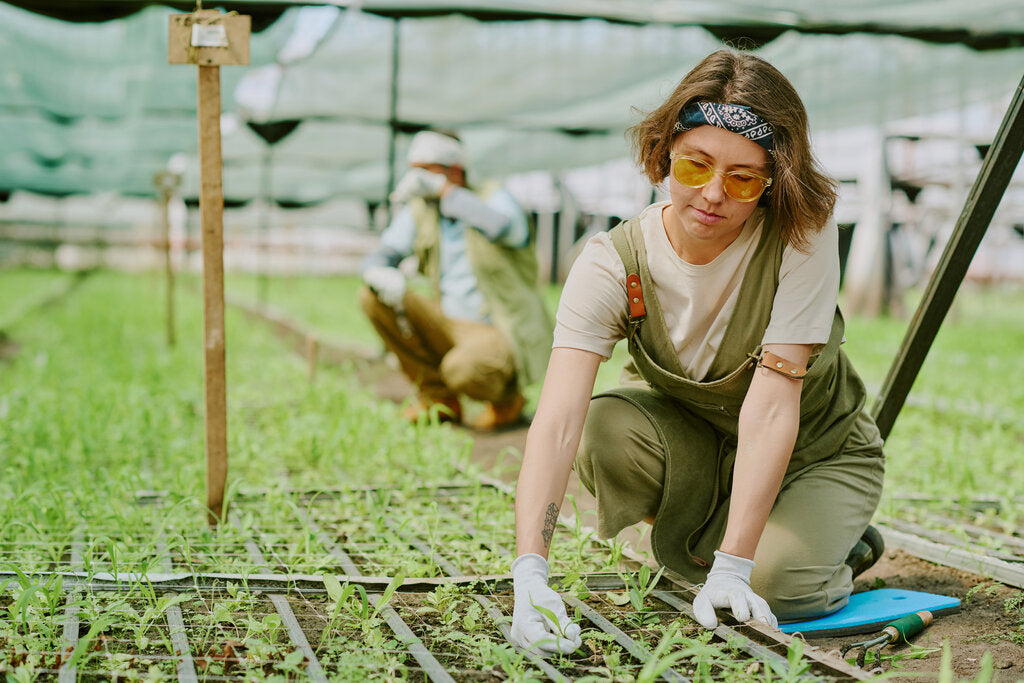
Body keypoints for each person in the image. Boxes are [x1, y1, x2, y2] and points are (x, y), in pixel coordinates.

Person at [508, 49, 886, 656]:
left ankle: (829, 541)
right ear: (664, 155)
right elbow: (555, 423)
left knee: (779, 590)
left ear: (772, 182)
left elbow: (771, 403)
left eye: (742, 178)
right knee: (605, 426)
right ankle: (731, 539)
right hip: (708, 448)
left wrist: (737, 567)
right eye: (695, 166)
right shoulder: (612, 263)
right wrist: (530, 575)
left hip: (817, 451)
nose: (713, 194)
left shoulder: (802, 235)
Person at [360, 129, 553, 429]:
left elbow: (501, 226)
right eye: (415, 171)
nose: (418, 179)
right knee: (371, 297)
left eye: (427, 170)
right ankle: (439, 401)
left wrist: (446, 193)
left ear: (454, 170)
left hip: (497, 326)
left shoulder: (493, 197)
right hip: (447, 320)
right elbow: (385, 251)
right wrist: (378, 271)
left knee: (462, 370)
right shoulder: (421, 210)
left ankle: (506, 400)